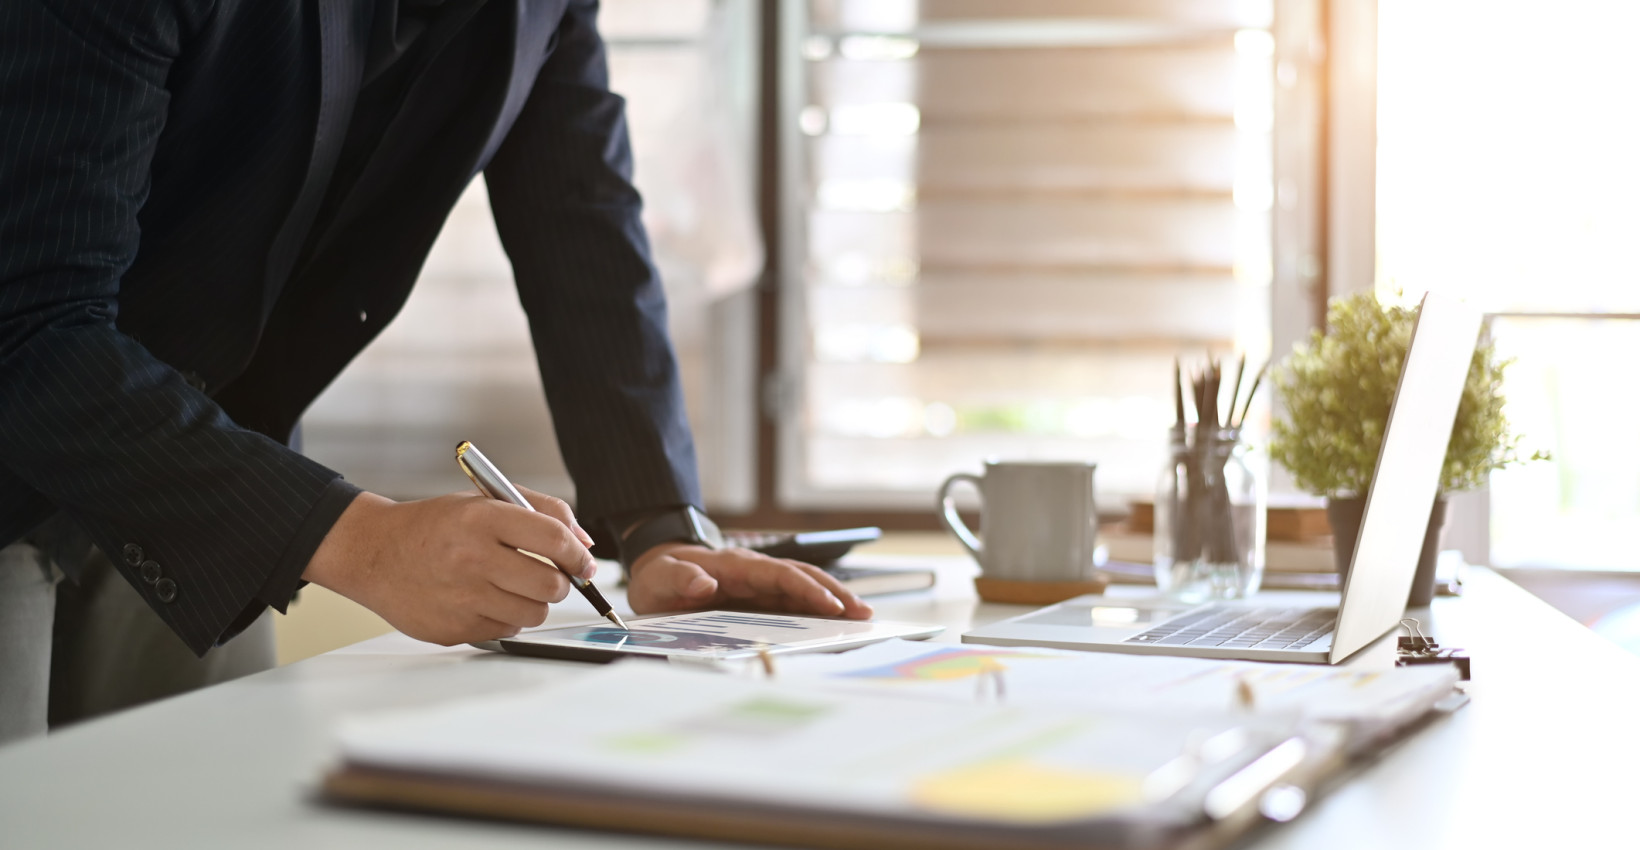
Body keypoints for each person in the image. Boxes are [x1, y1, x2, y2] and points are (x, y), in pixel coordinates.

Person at [0, 0, 871, 745]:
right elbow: (27, 319)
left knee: (193, 814)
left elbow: (585, 225)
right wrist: (366, 541)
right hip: (37, 423)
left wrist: (660, 528)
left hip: (216, 469)